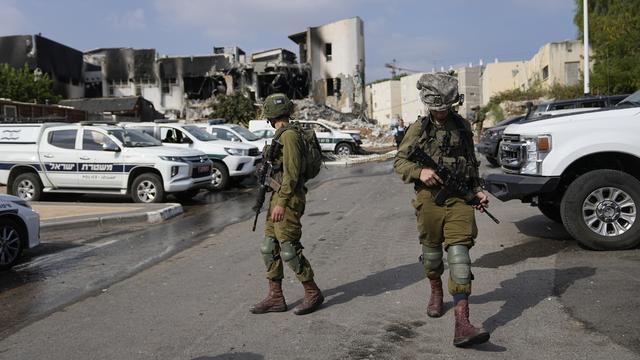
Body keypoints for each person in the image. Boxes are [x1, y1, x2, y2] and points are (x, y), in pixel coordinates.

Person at [394, 73, 490, 347]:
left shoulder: (462, 126)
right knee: (432, 256)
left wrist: (478, 190)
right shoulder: (418, 129)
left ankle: (462, 322)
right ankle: (436, 290)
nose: (441, 112)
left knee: (460, 256)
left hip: (460, 199)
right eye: (437, 107)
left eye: (445, 106)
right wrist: (419, 171)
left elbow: (471, 162)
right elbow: (399, 162)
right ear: (428, 104)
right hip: (429, 201)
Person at [250, 93, 324, 316]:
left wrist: (281, 203)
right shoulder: (281, 135)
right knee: (268, 248)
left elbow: (291, 175)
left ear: (270, 116)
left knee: (289, 249)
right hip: (278, 197)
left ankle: (312, 292)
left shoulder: (290, 136)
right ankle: (276, 297)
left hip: (288, 199)